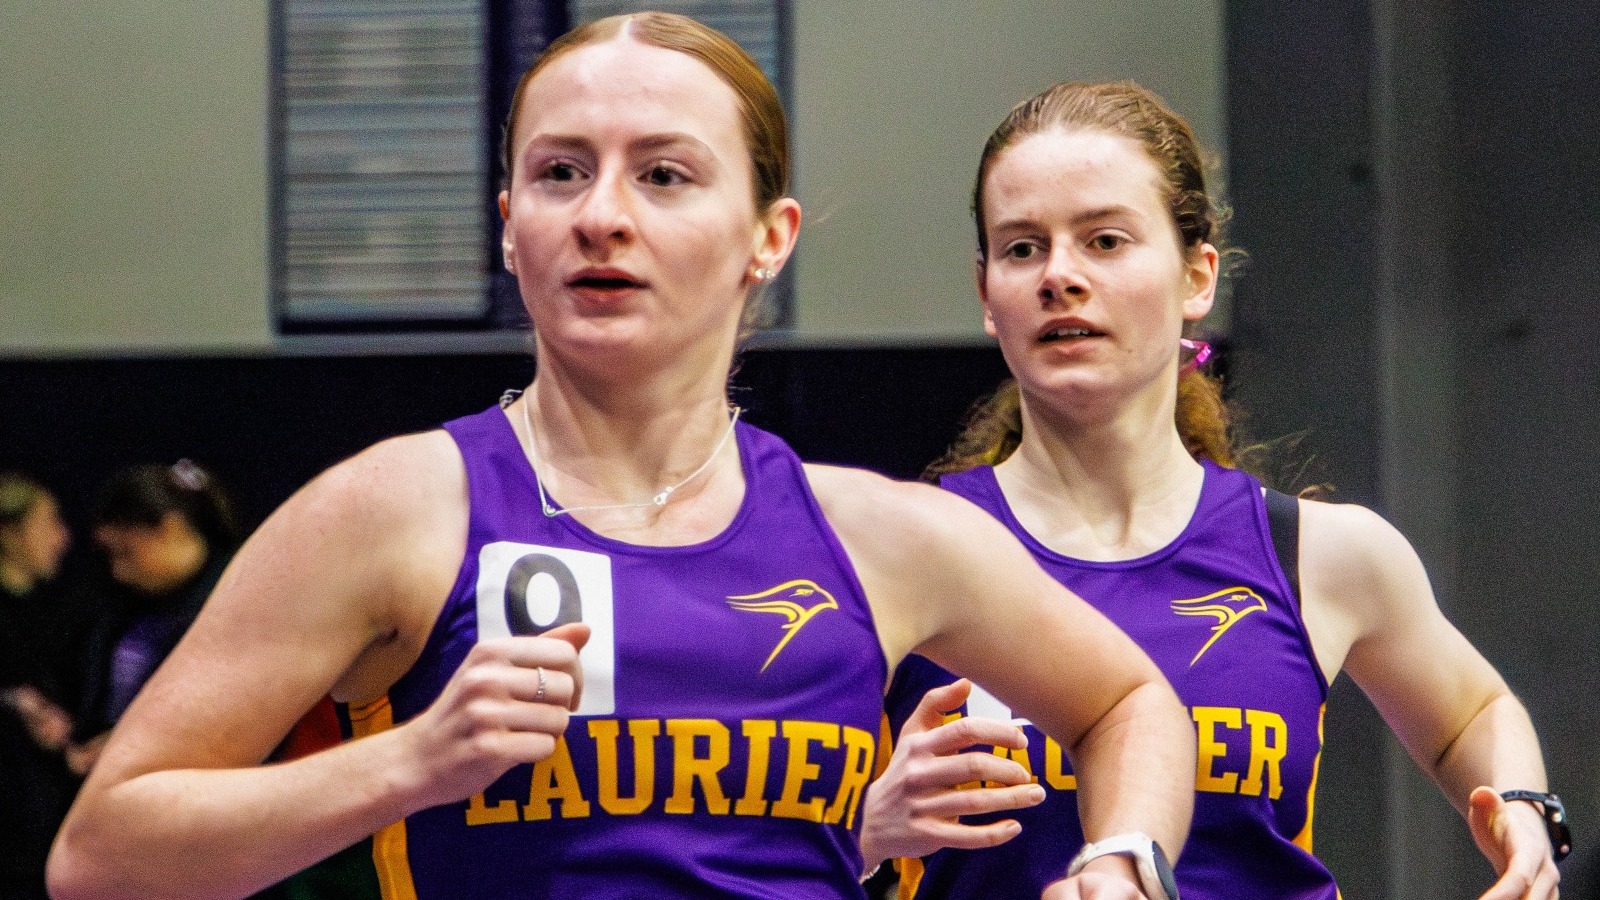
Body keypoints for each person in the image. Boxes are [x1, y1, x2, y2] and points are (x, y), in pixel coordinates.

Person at [47, 15, 1194, 900]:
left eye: (663, 174)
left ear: (766, 236)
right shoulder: (394, 510)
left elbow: (1131, 699)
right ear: (508, 224)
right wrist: (409, 765)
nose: (602, 215)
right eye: (559, 173)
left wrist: (1127, 857)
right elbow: (101, 856)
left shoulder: (876, 535)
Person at [866, 81, 1566, 900]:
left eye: (1104, 240)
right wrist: (867, 830)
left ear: (1198, 277)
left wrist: (1521, 808)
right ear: (987, 294)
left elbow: (1475, 710)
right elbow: (750, 833)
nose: (1060, 275)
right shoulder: (905, 551)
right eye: (1022, 248)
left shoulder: (1319, 554)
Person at [67, 459, 239, 776]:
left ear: (171, 528)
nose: (117, 571)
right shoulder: (128, 604)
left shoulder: (240, 599)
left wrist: (130, 747)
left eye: (126, 552)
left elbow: (232, 721)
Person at [0, 473, 77, 900]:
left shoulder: (46, 611)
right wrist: (12, 703)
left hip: (40, 819)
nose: (62, 539)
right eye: (49, 523)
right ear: (9, 532)